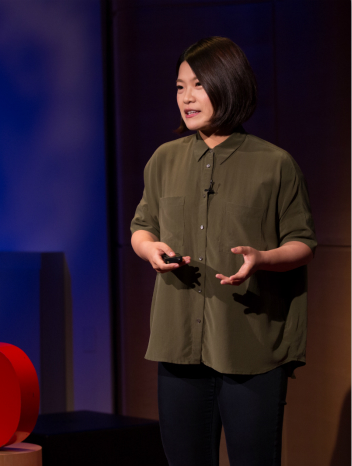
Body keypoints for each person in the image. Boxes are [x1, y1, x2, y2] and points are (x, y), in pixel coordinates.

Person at [130, 37, 316, 466]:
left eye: (199, 85)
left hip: (250, 345)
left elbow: (302, 243)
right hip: (178, 343)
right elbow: (142, 226)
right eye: (180, 87)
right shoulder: (164, 159)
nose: (187, 98)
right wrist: (148, 248)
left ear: (229, 85)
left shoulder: (275, 164)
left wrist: (262, 259)